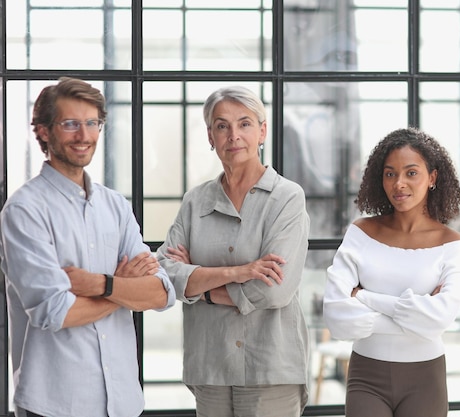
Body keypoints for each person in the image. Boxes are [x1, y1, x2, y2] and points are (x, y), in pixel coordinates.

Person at [0, 77, 176, 417]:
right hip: (55, 404)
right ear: (43, 131)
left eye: (92, 123)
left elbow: (161, 293)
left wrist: (101, 284)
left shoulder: (115, 206)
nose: (84, 135)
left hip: (123, 403)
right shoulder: (24, 211)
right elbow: (56, 312)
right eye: (70, 124)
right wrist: (125, 290)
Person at [156, 85, 311, 417]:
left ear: (262, 131)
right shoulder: (195, 201)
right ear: (210, 136)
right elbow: (166, 272)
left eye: (244, 123)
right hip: (210, 363)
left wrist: (200, 287)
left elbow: (275, 290)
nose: (233, 135)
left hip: (270, 366)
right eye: (221, 125)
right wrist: (239, 272)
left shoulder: (287, 198)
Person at [323, 127, 460, 417]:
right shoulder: (361, 232)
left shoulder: (453, 244)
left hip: (425, 379)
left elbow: (439, 320)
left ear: (433, 178)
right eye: (390, 174)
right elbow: (336, 317)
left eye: (411, 173)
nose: (399, 183)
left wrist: (365, 297)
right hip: (367, 375)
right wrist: (416, 317)